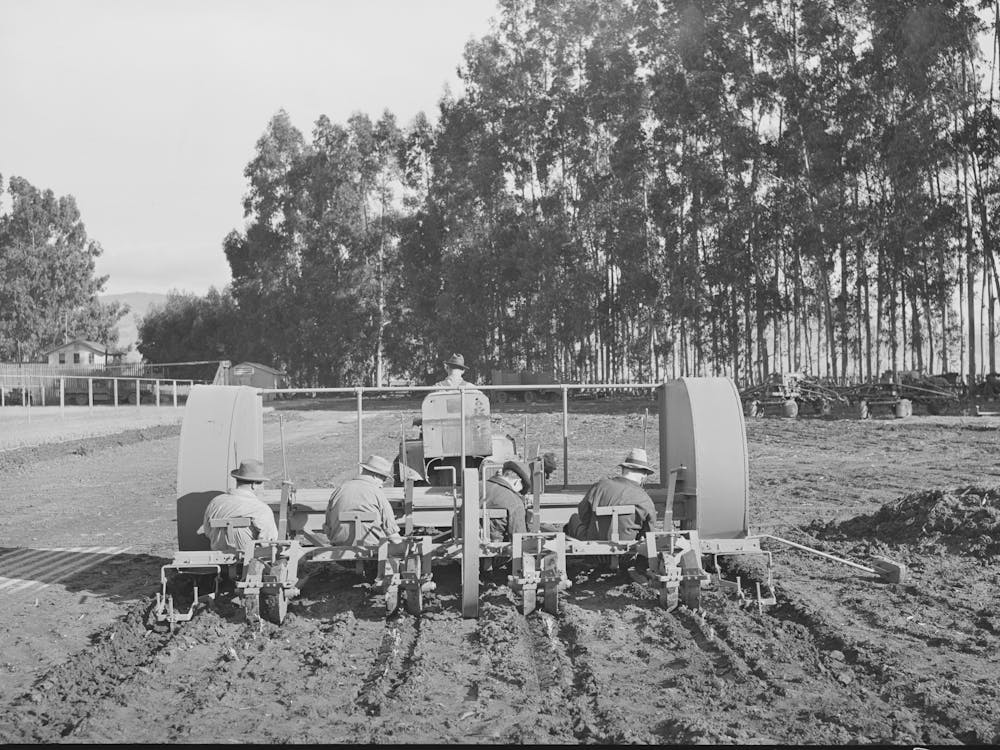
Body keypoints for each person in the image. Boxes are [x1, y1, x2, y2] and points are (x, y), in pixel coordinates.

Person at [563, 448, 657, 541]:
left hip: (592, 545)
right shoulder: (645, 499)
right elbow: (649, 531)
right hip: (627, 551)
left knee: (574, 518)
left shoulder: (600, 486)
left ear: (623, 469)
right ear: (644, 475)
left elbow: (583, 514)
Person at [199, 459, 279, 554]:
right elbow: (268, 542)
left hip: (219, 560)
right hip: (249, 561)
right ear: (253, 484)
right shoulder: (261, 509)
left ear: (237, 480)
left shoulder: (215, 502)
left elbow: (208, 532)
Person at [323, 454, 403, 546]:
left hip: (340, 549)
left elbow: (328, 527)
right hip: (372, 551)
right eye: (383, 480)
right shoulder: (377, 493)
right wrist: (401, 546)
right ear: (375, 475)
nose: (382, 484)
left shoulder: (339, 490)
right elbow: (390, 529)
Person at [483, 460, 531, 542]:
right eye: (519, 491)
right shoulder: (515, 501)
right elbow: (519, 539)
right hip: (493, 550)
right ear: (517, 482)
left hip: (460, 546)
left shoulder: (476, 486)